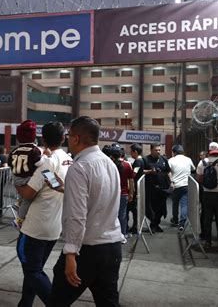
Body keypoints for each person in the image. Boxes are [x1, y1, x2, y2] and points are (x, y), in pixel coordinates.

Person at [48, 116, 122, 307]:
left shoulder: (79, 167)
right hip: (112, 247)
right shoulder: (110, 164)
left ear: (77, 139)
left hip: (86, 250)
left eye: (69, 135)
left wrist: (70, 253)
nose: (67, 139)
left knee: (57, 301)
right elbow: (101, 200)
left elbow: (77, 214)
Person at [14, 121, 72, 307]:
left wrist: (16, 181)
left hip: (34, 230)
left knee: (32, 272)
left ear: (43, 140)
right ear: (63, 138)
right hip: (54, 229)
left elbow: (28, 193)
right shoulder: (70, 160)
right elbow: (57, 186)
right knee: (34, 271)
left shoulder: (47, 164)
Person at [8, 120, 45, 229]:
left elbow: (10, 163)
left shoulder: (14, 151)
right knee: (28, 198)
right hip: (28, 178)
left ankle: (18, 201)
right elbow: (41, 164)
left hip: (17, 178)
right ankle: (19, 219)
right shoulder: (36, 150)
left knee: (22, 194)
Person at [107, 143, 134, 243]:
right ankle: (122, 235)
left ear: (111, 156)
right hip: (124, 194)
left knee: (111, 215)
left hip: (111, 194)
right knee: (122, 215)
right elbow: (131, 180)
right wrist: (131, 193)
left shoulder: (109, 164)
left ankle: (110, 235)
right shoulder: (127, 165)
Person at [143, 143, 171, 233]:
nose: (158, 152)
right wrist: (150, 171)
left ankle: (156, 224)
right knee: (151, 208)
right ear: (151, 150)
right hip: (150, 188)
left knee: (161, 208)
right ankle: (153, 224)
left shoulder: (163, 159)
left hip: (162, 188)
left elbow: (168, 171)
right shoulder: (146, 159)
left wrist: (172, 182)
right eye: (156, 150)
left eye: (159, 150)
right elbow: (141, 171)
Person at [168, 145, 195, 231]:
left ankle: (175, 220)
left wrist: (171, 181)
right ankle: (182, 223)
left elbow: (168, 171)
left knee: (175, 203)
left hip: (175, 185)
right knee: (184, 205)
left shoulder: (171, 160)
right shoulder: (188, 159)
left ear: (174, 152)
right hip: (186, 185)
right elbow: (193, 169)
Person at [129, 143, 144, 234]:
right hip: (137, 187)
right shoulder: (141, 160)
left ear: (135, 152)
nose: (130, 154)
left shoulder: (138, 162)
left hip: (135, 187)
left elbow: (134, 174)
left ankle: (135, 226)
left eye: (131, 152)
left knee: (134, 208)